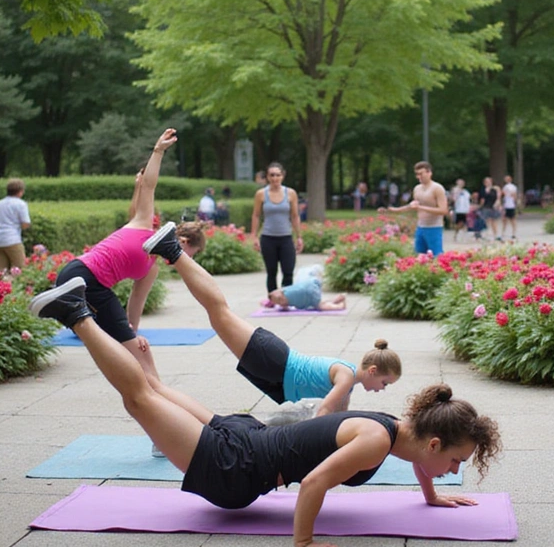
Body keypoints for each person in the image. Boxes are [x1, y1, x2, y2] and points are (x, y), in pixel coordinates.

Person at [28, 274, 501, 547]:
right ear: (434, 443)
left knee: (152, 392)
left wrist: (432, 495)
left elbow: (422, 460)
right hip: (234, 467)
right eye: (456, 461)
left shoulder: (397, 427)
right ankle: (77, 314)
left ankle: (87, 311)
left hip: (249, 437)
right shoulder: (378, 441)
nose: (453, 470)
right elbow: (313, 484)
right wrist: (304, 542)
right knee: (139, 398)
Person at [147, 224, 398, 415]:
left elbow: (337, 421)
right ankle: (173, 250)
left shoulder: (348, 383)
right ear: (373, 371)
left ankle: (172, 250)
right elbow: (323, 414)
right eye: (385, 383)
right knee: (218, 310)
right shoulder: (346, 377)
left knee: (217, 312)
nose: (382, 389)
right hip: (274, 361)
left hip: (274, 369)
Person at [54, 130, 205, 386]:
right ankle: (156, 392)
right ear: (183, 242)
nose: (191, 259)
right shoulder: (143, 225)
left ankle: (147, 390)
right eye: (194, 254)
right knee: (139, 355)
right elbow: (149, 186)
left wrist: (132, 333)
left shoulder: (151, 268)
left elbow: (136, 300)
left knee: (132, 348)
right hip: (81, 275)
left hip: (91, 286)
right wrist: (158, 151)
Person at [251, 162, 304, 296]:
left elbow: (295, 216)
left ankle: (286, 298)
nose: (275, 178)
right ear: (268, 177)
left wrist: (299, 237)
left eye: (278, 175)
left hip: (286, 237)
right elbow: (256, 215)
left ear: (283, 176)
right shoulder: (261, 194)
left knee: (288, 271)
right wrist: (254, 236)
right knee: (271, 272)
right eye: (272, 175)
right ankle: (272, 298)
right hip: (268, 238)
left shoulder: (290, 193)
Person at [382, 161, 448, 256]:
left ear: (429, 173)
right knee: (418, 256)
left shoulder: (437, 188)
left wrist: (421, 207)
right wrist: (394, 210)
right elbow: (413, 206)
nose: (418, 177)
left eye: (421, 174)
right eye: (417, 174)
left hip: (434, 227)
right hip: (420, 227)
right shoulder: (417, 189)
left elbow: (443, 210)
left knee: (436, 256)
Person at [264, 264, 346, 312]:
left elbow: (285, 307)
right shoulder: (285, 290)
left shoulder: (282, 300)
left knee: (320, 306)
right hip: (310, 285)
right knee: (319, 303)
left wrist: (281, 307)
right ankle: (337, 299)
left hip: (309, 292)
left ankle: (339, 306)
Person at [0, 178, 31, 271]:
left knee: (2, 270)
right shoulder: (21, 204)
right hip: (12, 239)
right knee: (19, 268)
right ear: (20, 191)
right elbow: (25, 223)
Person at [478, 176, 501, 242]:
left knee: (494, 221)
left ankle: (495, 235)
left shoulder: (495, 189)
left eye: (489, 181)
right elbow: (482, 199)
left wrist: (497, 204)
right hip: (486, 207)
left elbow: (498, 198)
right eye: (486, 182)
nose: (488, 183)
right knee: (487, 221)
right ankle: (488, 234)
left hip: (493, 206)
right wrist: (480, 207)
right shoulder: (483, 190)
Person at [450, 178, 471, 242]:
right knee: (459, 223)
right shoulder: (455, 190)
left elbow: (468, 199)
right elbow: (453, 199)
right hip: (459, 209)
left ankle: (464, 236)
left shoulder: (465, 192)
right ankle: (456, 235)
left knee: (465, 223)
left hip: (465, 209)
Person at [500, 174, 518, 241]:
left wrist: (515, 201)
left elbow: (514, 195)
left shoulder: (512, 187)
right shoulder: (505, 187)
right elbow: (503, 194)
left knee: (512, 219)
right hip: (506, 205)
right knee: (504, 220)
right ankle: (503, 233)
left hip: (511, 205)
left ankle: (513, 233)